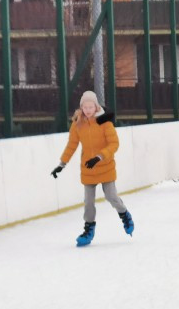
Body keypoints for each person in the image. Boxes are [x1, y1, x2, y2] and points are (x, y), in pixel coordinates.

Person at [50, 90, 134, 247]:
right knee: (88, 202)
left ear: (96, 107)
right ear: (81, 107)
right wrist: (62, 164)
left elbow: (114, 144)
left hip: (105, 166)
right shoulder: (78, 124)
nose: (88, 110)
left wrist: (99, 157)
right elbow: (72, 145)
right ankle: (88, 230)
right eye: (85, 107)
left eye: (91, 107)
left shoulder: (104, 122)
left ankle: (124, 215)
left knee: (111, 197)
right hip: (88, 169)